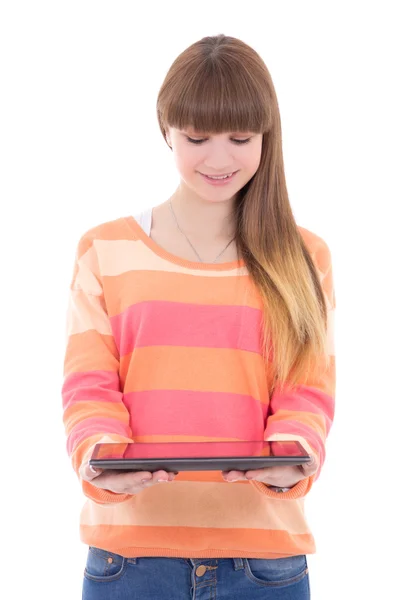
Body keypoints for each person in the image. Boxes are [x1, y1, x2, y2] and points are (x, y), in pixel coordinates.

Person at [62, 33, 335, 600]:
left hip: (265, 564)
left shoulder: (304, 256)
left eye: (240, 137)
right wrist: (102, 457)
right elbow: (89, 383)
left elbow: (307, 388)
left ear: (267, 137)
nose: (218, 158)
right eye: (196, 136)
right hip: (129, 560)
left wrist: (291, 456)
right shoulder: (105, 249)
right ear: (165, 129)